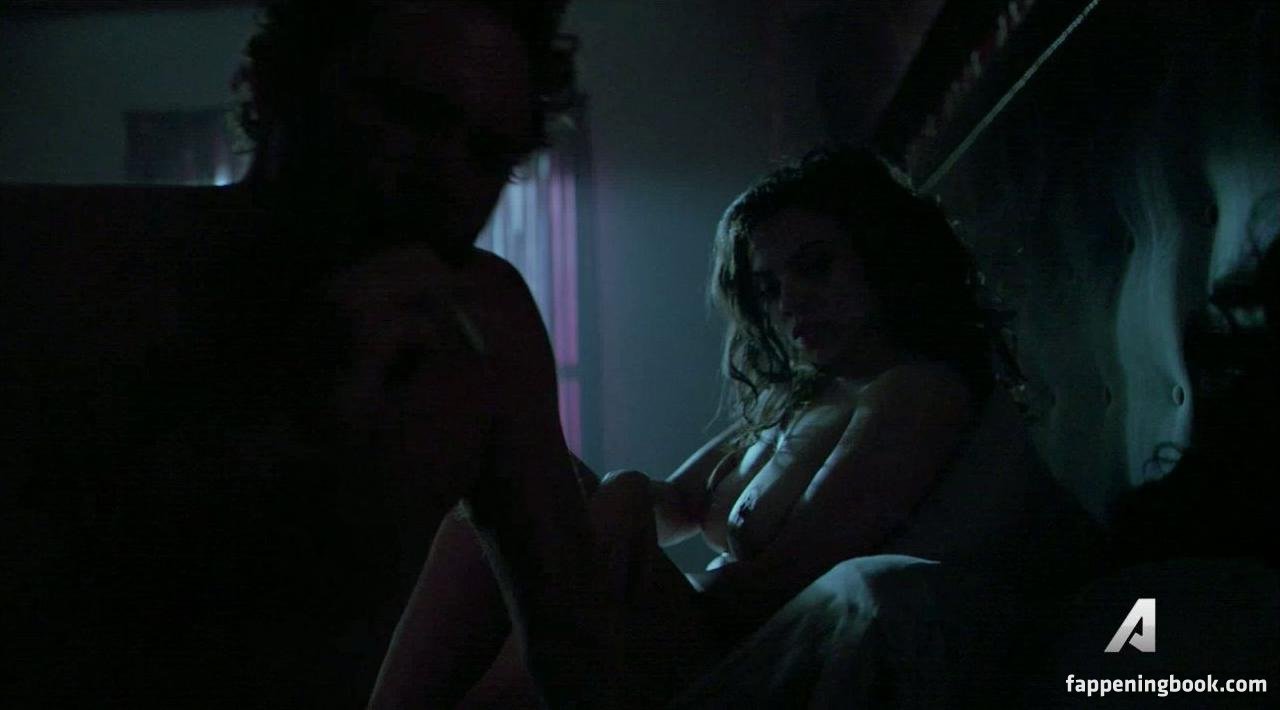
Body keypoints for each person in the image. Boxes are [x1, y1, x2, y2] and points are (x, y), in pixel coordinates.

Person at [3, 0, 603, 706]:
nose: (445, 177)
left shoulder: (486, 333)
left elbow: (578, 646)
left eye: (489, 155)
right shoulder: (55, 262)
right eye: (409, 115)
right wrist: (285, 426)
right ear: (275, 85)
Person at [373, 146, 1098, 707]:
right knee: (507, 507)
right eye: (768, 287)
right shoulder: (799, 402)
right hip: (699, 625)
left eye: (815, 268)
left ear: (881, 256)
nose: (790, 303)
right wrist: (589, 516)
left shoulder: (913, 392)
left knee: (589, 504)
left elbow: (783, 583)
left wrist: (605, 560)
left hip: (736, 647)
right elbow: (678, 504)